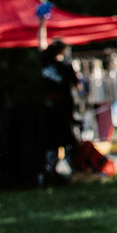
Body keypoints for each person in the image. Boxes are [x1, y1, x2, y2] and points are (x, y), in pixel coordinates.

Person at [39, 38, 80, 185]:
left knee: (51, 142)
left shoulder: (42, 65)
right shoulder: (65, 67)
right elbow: (78, 86)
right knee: (67, 141)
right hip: (63, 110)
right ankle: (74, 170)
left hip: (46, 110)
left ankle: (49, 172)